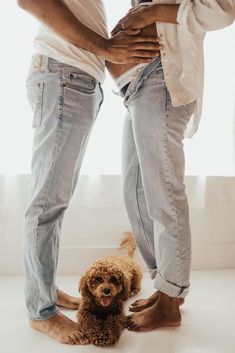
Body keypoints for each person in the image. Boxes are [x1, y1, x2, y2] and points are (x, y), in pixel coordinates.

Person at [17, 0, 160, 345]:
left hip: (77, 78)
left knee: (54, 202)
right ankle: (41, 311)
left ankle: (45, 290)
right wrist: (106, 47)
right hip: (65, 73)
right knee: (47, 203)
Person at [107, 0, 235, 332]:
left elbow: (223, 10)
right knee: (134, 193)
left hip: (162, 79)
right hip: (135, 86)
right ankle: (167, 285)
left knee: (164, 194)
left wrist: (149, 13)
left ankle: (169, 301)